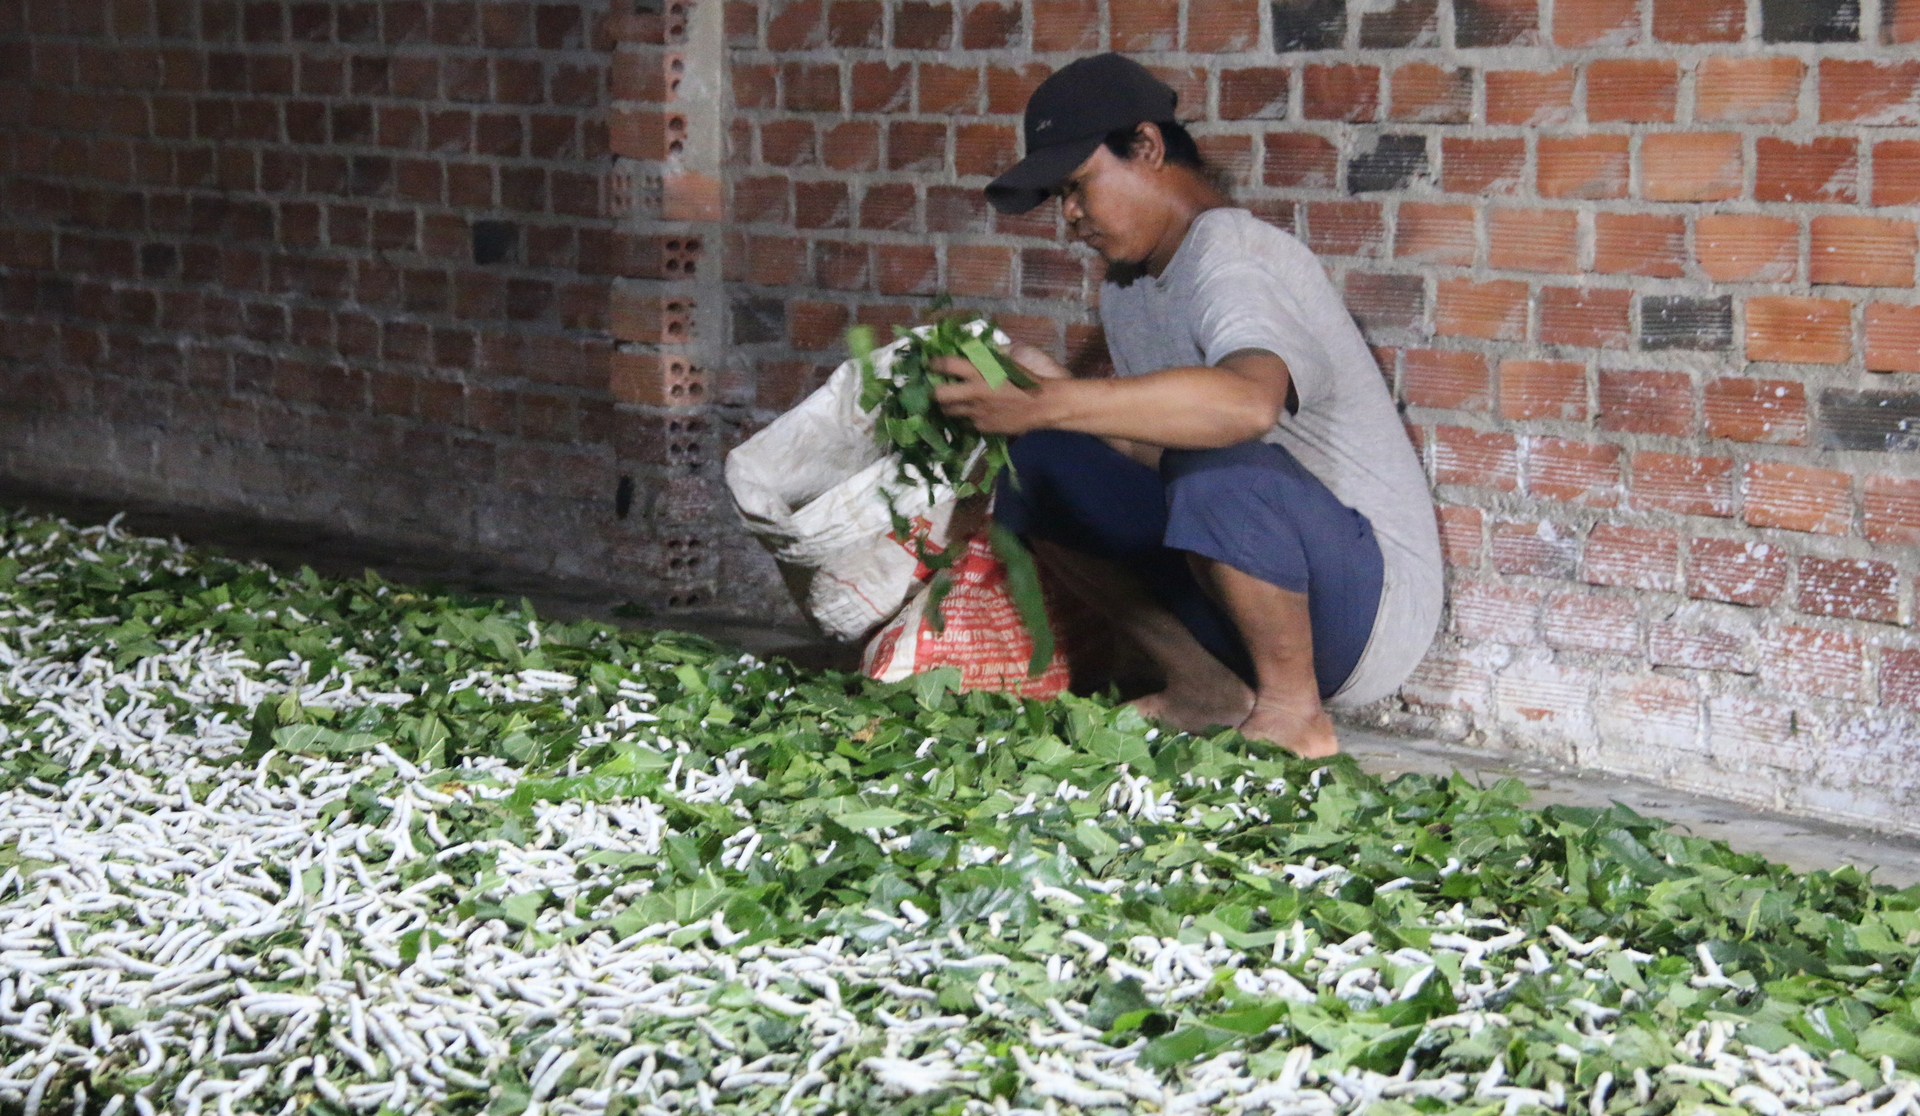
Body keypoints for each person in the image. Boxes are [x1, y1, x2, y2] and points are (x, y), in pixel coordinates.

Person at [930, 52, 1442, 758]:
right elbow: (1159, 448)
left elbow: (1247, 408)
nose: (1070, 218)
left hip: (1364, 608)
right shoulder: (1127, 290)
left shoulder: (1233, 253)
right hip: (1255, 584)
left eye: (1078, 187)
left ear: (1146, 146)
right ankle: (1206, 688)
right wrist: (1048, 402)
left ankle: (1296, 714)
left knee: (1215, 461)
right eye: (1059, 199)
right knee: (1041, 461)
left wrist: (1062, 399)